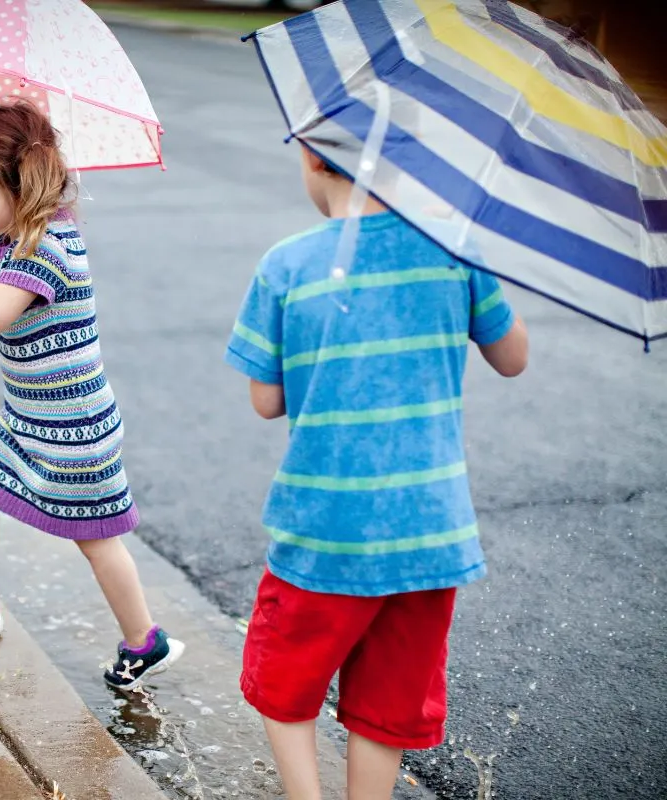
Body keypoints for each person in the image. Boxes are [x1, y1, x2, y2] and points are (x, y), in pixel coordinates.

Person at [225, 144, 529, 799]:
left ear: (312, 158)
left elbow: (265, 401)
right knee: (391, 698)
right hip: (430, 532)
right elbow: (513, 357)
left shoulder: (286, 265)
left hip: (326, 528)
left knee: (284, 680)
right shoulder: (456, 252)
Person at [0, 100, 183, 691]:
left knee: (95, 538)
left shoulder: (43, 249)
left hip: (73, 430)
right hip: (30, 418)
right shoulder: (17, 228)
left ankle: (144, 641)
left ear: (24, 182)